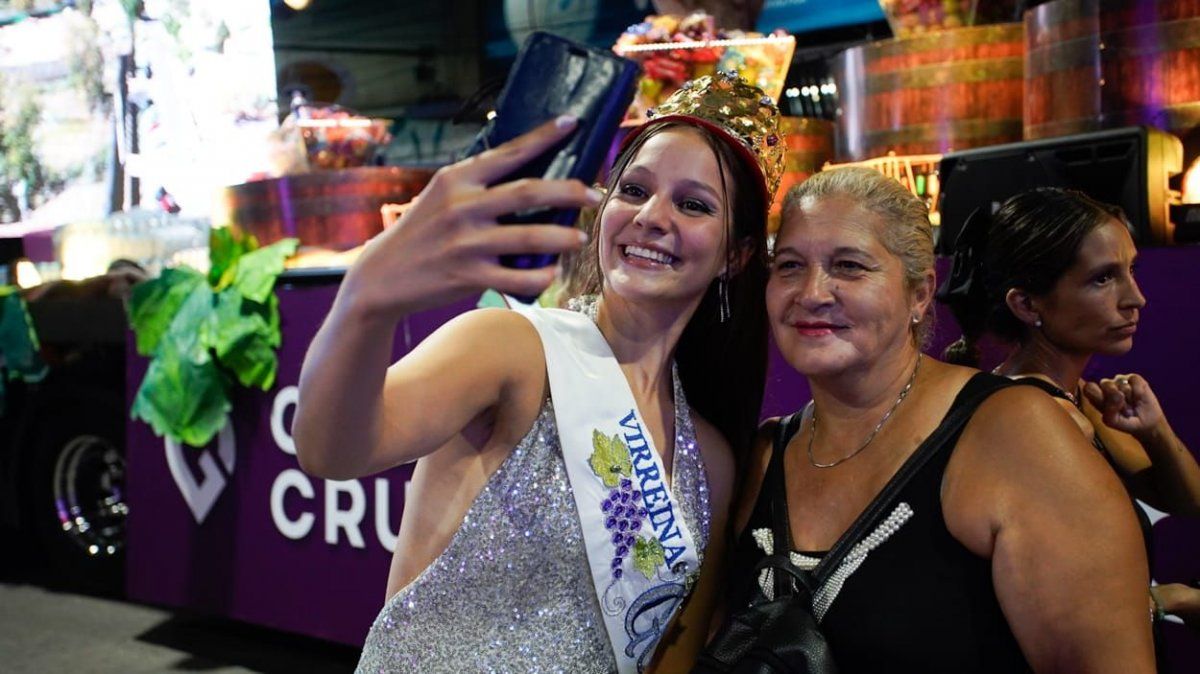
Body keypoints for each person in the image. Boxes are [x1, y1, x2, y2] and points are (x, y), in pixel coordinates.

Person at [293, 72, 783, 673]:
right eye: (633, 190)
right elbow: (332, 451)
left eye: (693, 204)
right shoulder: (510, 347)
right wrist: (363, 303)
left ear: (735, 255)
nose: (653, 216)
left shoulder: (709, 457)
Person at [728, 167, 1155, 672]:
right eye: (790, 266)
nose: (813, 292)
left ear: (919, 293)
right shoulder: (764, 452)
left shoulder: (1015, 435)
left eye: (849, 265)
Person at [939, 187, 1200, 631]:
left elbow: (1187, 502)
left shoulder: (1075, 399)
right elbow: (1060, 605)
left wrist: (1154, 431)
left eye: (1130, 270)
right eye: (1103, 278)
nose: (1135, 298)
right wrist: (1164, 598)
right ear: (1026, 304)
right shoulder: (1032, 416)